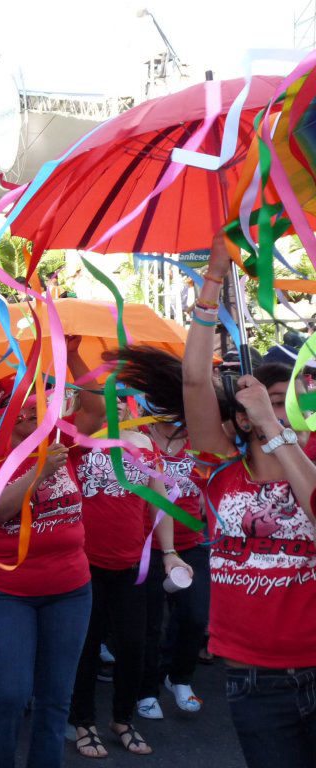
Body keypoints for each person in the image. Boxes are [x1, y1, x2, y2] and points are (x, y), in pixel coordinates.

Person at [182, 234, 316, 768]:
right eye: (269, 403)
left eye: (294, 401)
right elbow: (194, 377)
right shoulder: (220, 466)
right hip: (256, 677)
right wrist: (212, 277)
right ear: (240, 418)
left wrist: (276, 428)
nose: (284, 412)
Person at [0, 336, 103, 768]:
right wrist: (40, 474)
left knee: (54, 699)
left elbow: (100, 407)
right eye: (15, 403)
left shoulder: (63, 438)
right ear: (3, 409)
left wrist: (73, 352)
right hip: (7, 592)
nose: (26, 410)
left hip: (70, 590)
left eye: (33, 402)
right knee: (9, 695)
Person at [68, 404, 187, 757]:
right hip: (84, 564)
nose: (115, 402)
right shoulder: (76, 443)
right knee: (86, 647)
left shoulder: (145, 444)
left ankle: (122, 718)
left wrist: (169, 553)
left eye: (122, 396)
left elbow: (159, 501)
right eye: (106, 395)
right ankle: (83, 720)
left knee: (134, 646)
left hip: (134, 564)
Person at [114, 346, 210, 720]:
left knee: (195, 616)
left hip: (193, 543)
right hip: (149, 546)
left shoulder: (203, 437)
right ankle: (147, 690)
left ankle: (180, 677)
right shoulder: (137, 436)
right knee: (150, 623)